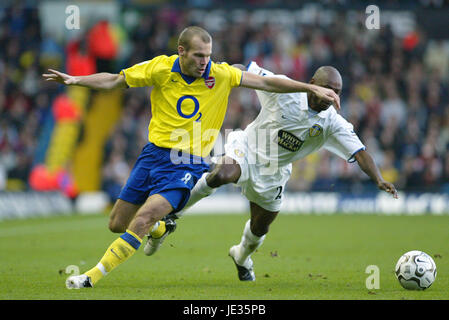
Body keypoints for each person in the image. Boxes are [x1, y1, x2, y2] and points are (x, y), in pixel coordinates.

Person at [42, 26, 340, 288]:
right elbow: (115, 81)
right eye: (198, 56)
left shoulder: (221, 74)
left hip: (188, 162)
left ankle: (91, 277)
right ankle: (162, 227)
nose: (204, 62)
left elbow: (268, 83)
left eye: (208, 55)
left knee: (143, 217)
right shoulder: (160, 68)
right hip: (153, 156)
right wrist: (75, 80)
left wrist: (309, 87)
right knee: (118, 224)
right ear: (181, 51)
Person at [147, 61, 398, 281]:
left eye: (337, 93)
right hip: (247, 147)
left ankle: (241, 257)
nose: (331, 96)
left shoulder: (332, 122)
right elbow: (246, 72)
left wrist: (378, 179)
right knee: (222, 174)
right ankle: (171, 214)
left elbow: (360, 152)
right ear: (312, 83)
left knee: (260, 227)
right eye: (328, 89)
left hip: (274, 172)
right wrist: (225, 75)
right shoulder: (286, 89)